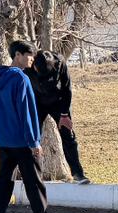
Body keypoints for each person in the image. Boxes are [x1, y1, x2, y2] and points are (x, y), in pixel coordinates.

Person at [0, 40, 64, 213]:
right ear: (17, 55)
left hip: (4, 139)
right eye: (29, 55)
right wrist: (34, 141)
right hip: (22, 140)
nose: (32, 59)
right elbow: (26, 112)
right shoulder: (21, 79)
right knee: (33, 179)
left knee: (4, 179)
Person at [25, 49, 89, 184]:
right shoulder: (28, 64)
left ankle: (78, 173)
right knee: (31, 137)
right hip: (37, 102)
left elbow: (67, 89)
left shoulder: (60, 63)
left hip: (58, 102)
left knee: (68, 137)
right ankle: (30, 174)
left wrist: (65, 114)